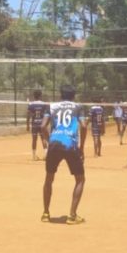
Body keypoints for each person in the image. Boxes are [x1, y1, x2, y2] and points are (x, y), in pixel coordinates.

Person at [42, 85, 88, 224]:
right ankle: (72, 215)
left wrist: (49, 140)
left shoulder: (51, 106)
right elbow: (84, 126)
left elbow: (42, 126)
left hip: (54, 143)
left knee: (49, 178)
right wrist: (81, 147)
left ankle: (46, 213)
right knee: (80, 179)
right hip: (70, 144)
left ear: (60, 95)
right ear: (73, 96)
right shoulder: (78, 107)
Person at [27, 89, 49, 161]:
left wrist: (27, 125)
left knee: (34, 139)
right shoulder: (44, 104)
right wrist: (46, 124)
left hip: (34, 124)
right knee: (43, 138)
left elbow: (28, 115)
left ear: (34, 96)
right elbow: (47, 115)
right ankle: (46, 154)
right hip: (42, 124)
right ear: (40, 96)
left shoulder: (31, 104)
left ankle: (34, 156)